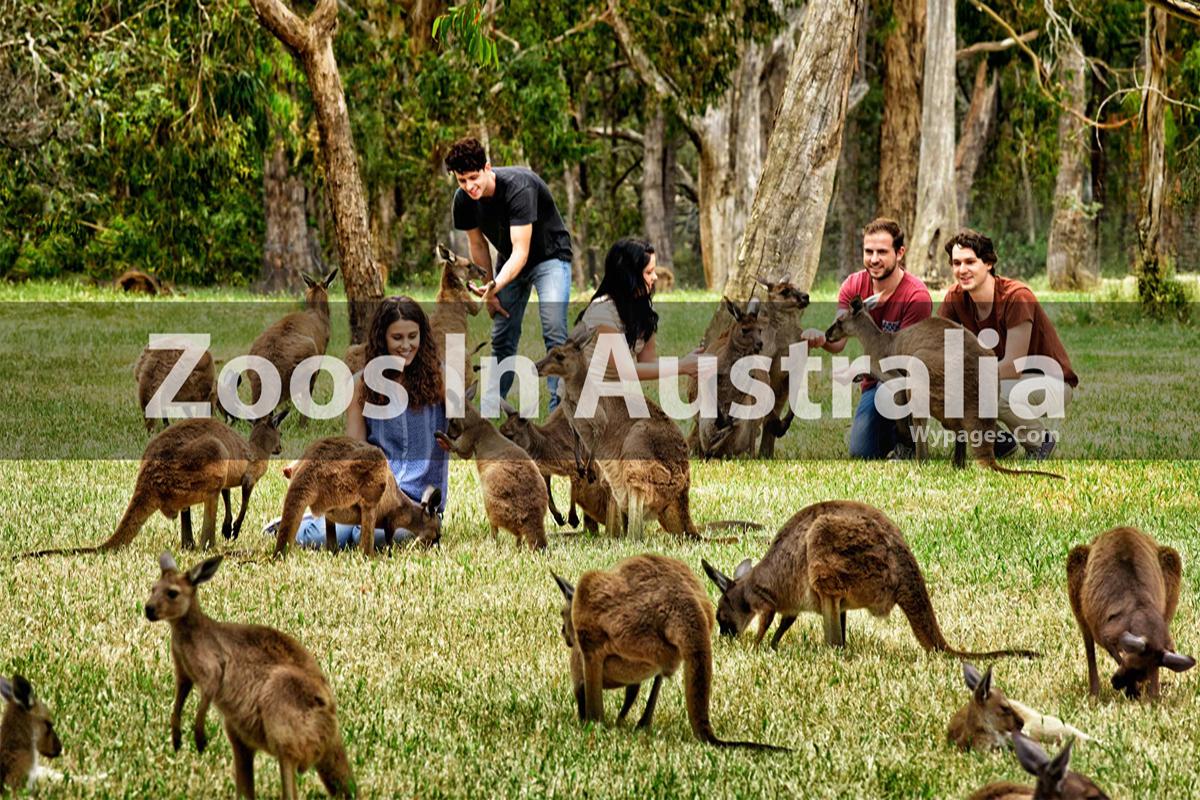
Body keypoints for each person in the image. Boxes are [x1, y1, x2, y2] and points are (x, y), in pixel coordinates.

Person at [271, 296, 450, 549]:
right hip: (370, 493)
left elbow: (470, 426)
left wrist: (454, 440)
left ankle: (323, 524)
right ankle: (298, 523)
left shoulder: (440, 378)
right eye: (397, 338)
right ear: (381, 339)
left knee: (373, 538)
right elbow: (354, 448)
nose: (406, 345)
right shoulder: (361, 385)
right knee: (323, 538)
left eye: (413, 336)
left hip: (416, 506)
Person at [445, 137, 573, 408]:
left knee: (554, 329)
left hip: (550, 257)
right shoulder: (463, 200)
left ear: (487, 167)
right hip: (510, 261)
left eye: (473, 178)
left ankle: (560, 413)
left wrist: (496, 284)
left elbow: (521, 252)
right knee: (502, 335)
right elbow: (477, 244)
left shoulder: (518, 187)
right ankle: (490, 411)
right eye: (461, 180)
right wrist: (489, 288)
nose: (469, 186)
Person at [937, 229, 1077, 460]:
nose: (962, 270)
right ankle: (1001, 444)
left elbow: (1013, 366)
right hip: (997, 378)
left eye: (970, 262)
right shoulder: (955, 298)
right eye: (956, 263)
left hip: (1049, 381)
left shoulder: (1016, 296)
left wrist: (966, 379)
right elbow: (940, 346)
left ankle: (1040, 442)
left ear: (989, 263)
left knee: (988, 393)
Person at [800, 218, 933, 459]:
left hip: (907, 380)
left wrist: (865, 367)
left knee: (893, 387)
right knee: (863, 452)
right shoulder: (853, 285)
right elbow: (838, 342)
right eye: (868, 251)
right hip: (875, 381)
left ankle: (908, 443)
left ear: (899, 253)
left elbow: (904, 363)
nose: (873, 259)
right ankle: (888, 433)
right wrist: (822, 339)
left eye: (882, 252)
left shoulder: (916, 296)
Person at [575, 238, 704, 381]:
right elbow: (626, 370)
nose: (655, 277)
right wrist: (681, 366)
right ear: (629, 276)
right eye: (649, 272)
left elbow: (648, 362)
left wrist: (686, 362)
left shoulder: (642, 308)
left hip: (613, 393)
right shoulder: (602, 313)